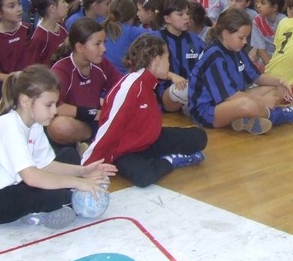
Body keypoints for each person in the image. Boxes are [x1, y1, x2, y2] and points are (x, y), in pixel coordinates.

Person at [0, 65, 116, 228]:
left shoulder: (34, 125)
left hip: (13, 185)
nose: (54, 111)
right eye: (49, 105)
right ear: (25, 101)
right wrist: (77, 183)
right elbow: (32, 177)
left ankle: (51, 205)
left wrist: (83, 171)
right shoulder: (9, 126)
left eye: (55, 104)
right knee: (35, 192)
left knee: (69, 155)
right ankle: (50, 207)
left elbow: (45, 165)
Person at [82, 35, 207, 187]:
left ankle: (157, 158)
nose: (169, 64)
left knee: (200, 137)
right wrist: (86, 167)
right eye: (167, 58)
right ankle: (170, 160)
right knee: (145, 177)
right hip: (125, 151)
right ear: (157, 60)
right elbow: (108, 129)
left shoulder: (149, 81)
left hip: (149, 141)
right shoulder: (131, 88)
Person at [186, 9, 293, 135]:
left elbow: (257, 77)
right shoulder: (215, 56)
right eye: (241, 37)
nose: (245, 42)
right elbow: (231, 97)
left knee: (278, 88)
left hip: (230, 100)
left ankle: (243, 120)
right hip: (207, 111)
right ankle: (280, 115)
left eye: (246, 37)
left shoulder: (237, 49)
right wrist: (262, 101)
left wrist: (280, 80)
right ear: (225, 34)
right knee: (246, 104)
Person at [49, 17, 122, 149]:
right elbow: (56, 106)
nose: (104, 49)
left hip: (97, 120)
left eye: (104, 43)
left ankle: (90, 143)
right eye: (97, 44)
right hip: (77, 122)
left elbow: (123, 87)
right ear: (79, 47)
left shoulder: (102, 64)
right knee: (59, 126)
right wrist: (93, 113)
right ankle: (93, 141)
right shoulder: (61, 69)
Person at [28, 0, 68, 66]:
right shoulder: (39, 38)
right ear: (52, 8)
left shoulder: (62, 28)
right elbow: (33, 69)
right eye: (63, 2)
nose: (67, 5)